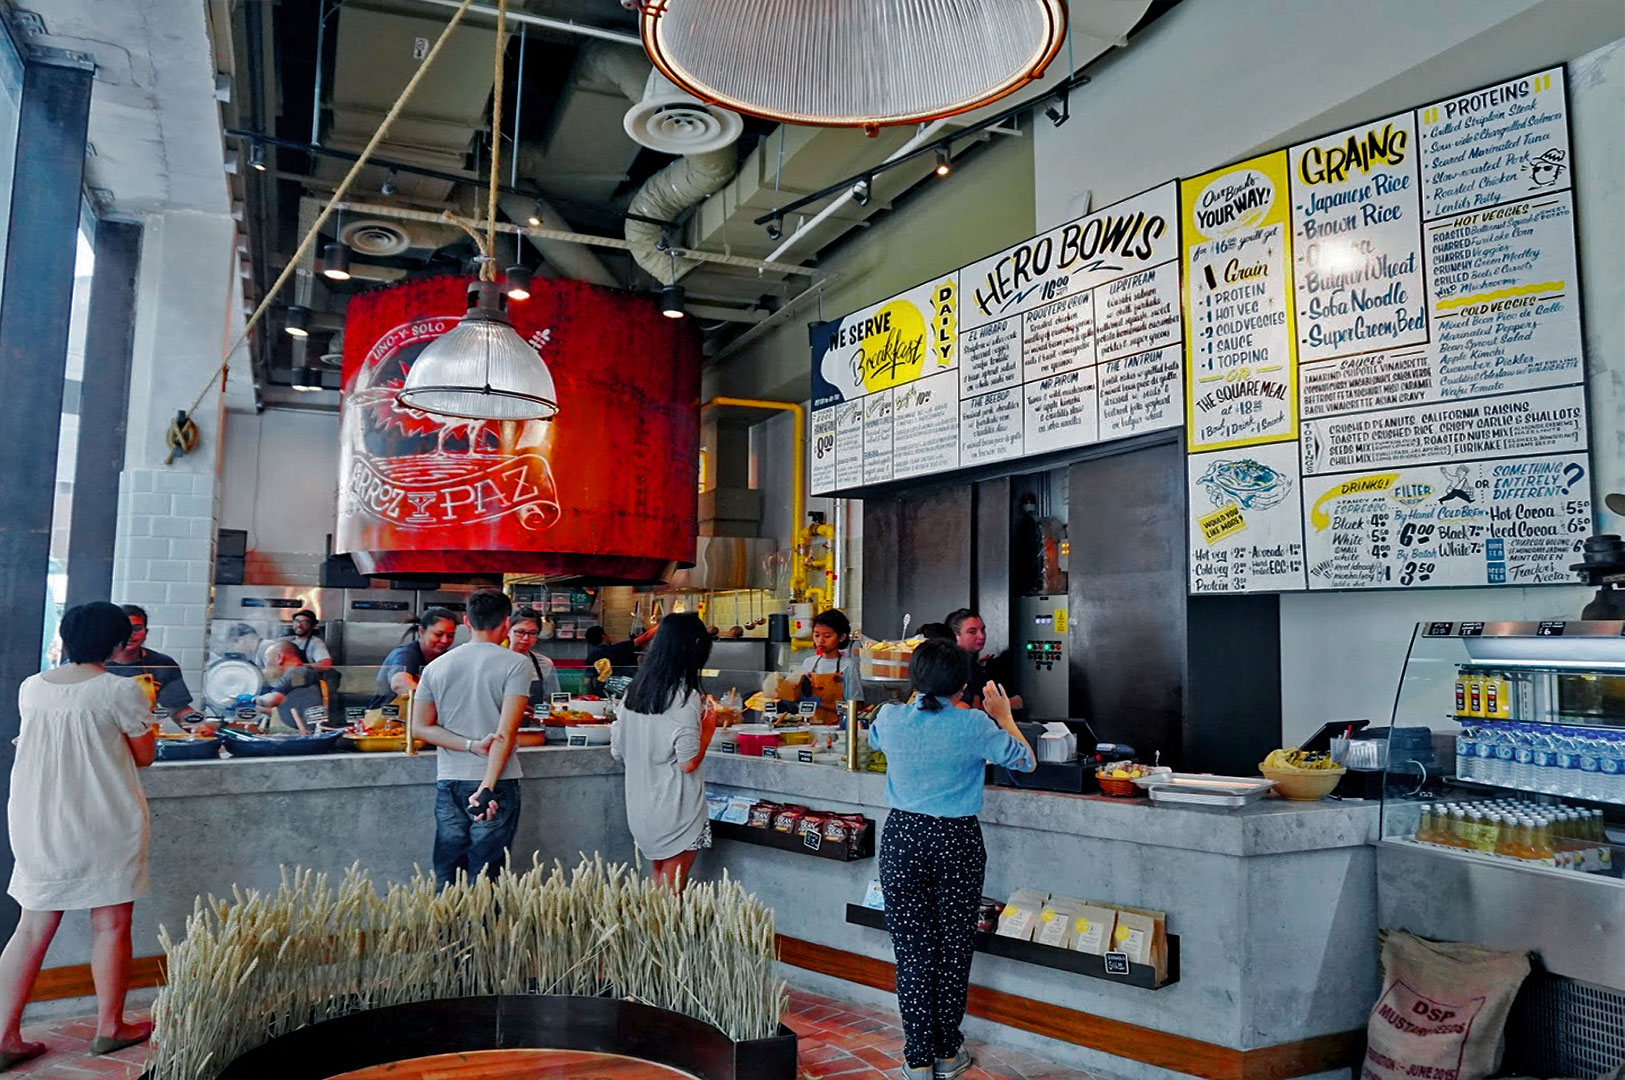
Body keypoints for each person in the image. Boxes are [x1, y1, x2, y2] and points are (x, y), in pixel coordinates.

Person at [0, 603, 158, 1069]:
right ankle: (109, 1028)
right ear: (115, 642)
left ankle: (3, 1035)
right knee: (110, 923)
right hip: (102, 820)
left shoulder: (33, 687)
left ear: (66, 637)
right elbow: (144, 755)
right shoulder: (121, 690)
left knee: (30, 929)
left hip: (36, 819)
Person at [867, 640, 1035, 1080]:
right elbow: (1027, 761)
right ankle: (946, 1051)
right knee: (953, 948)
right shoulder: (975, 724)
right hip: (956, 839)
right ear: (963, 683)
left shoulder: (890, 717)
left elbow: (876, 739)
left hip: (903, 836)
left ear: (914, 680)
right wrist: (1005, 717)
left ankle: (917, 1059)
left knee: (912, 951)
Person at [411, 590, 531, 888]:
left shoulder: (436, 666)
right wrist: (486, 787)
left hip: (450, 781)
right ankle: (482, 935)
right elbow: (505, 733)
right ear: (506, 623)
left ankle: (445, 933)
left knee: (447, 872)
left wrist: (468, 745)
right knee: (486, 876)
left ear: (466, 621)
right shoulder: (516, 664)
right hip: (496, 784)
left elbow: (420, 728)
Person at [609, 613, 717, 891]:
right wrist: (708, 728)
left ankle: (646, 932)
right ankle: (662, 934)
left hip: (641, 806)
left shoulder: (634, 690)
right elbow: (689, 762)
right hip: (676, 807)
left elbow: (617, 752)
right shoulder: (684, 696)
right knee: (671, 892)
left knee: (657, 880)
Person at [105, 605, 207, 731]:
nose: (130, 635)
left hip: (144, 739)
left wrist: (200, 729)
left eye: (136, 629)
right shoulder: (95, 664)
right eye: (123, 629)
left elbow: (178, 709)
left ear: (146, 633)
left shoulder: (161, 664)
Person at [368, 608, 458, 709]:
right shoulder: (406, 654)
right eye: (438, 634)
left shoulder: (447, 659)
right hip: (387, 719)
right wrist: (429, 701)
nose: (445, 640)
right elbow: (399, 682)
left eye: (450, 635)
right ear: (421, 631)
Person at [944, 608, 1023, 712]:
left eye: (982, 630)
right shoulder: (954, 666)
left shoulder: (971, 663)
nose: (981, 636)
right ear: (955, 635)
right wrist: (1009, 703)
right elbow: (967, 708)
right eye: (972, 632)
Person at [254, 641, 330, 732]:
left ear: (280, 658)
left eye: (266, 659)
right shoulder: (299, 678)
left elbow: (271, 700)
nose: (265, 665)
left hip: (306, 737)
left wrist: (252, 699)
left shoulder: (297, 673)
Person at [801, 609, 863, 699]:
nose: (820, 640)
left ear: (841, 637)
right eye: (817, 635)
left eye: (827, 636)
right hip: (810, 713)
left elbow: (855, 701)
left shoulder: (847, 666)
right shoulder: (808, 663)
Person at [505, 606, 561, 704]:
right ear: (508, 631)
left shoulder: (545, 664)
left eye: (532, 633)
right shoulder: (495, 661)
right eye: (520, 632)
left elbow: (554, 700)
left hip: (535, 718)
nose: (526, 638)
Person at [584, 623, 656, 694]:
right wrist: (662, 625)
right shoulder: (621, 648)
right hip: (627, 691)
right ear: (604, 636)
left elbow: (587, 682)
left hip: (603, 693)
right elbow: (645, 637)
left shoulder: (591, 657)